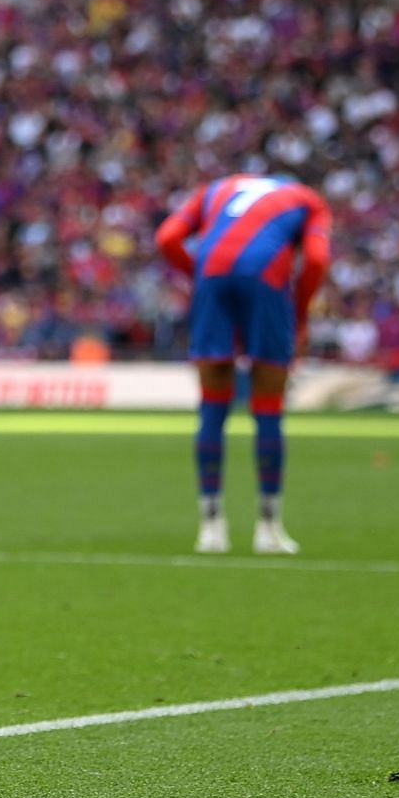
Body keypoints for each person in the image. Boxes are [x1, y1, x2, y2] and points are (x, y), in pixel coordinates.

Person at [155, 174, 331, 557]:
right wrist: (298, 316)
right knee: (268, 409)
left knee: (212, 408)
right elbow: (316, 258)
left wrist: (200, 276)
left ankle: (211, 528)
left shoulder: (215, 188)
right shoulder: (307, 199)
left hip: (212, 276)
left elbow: (167, 238)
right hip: (267, 282)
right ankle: (268, 528)